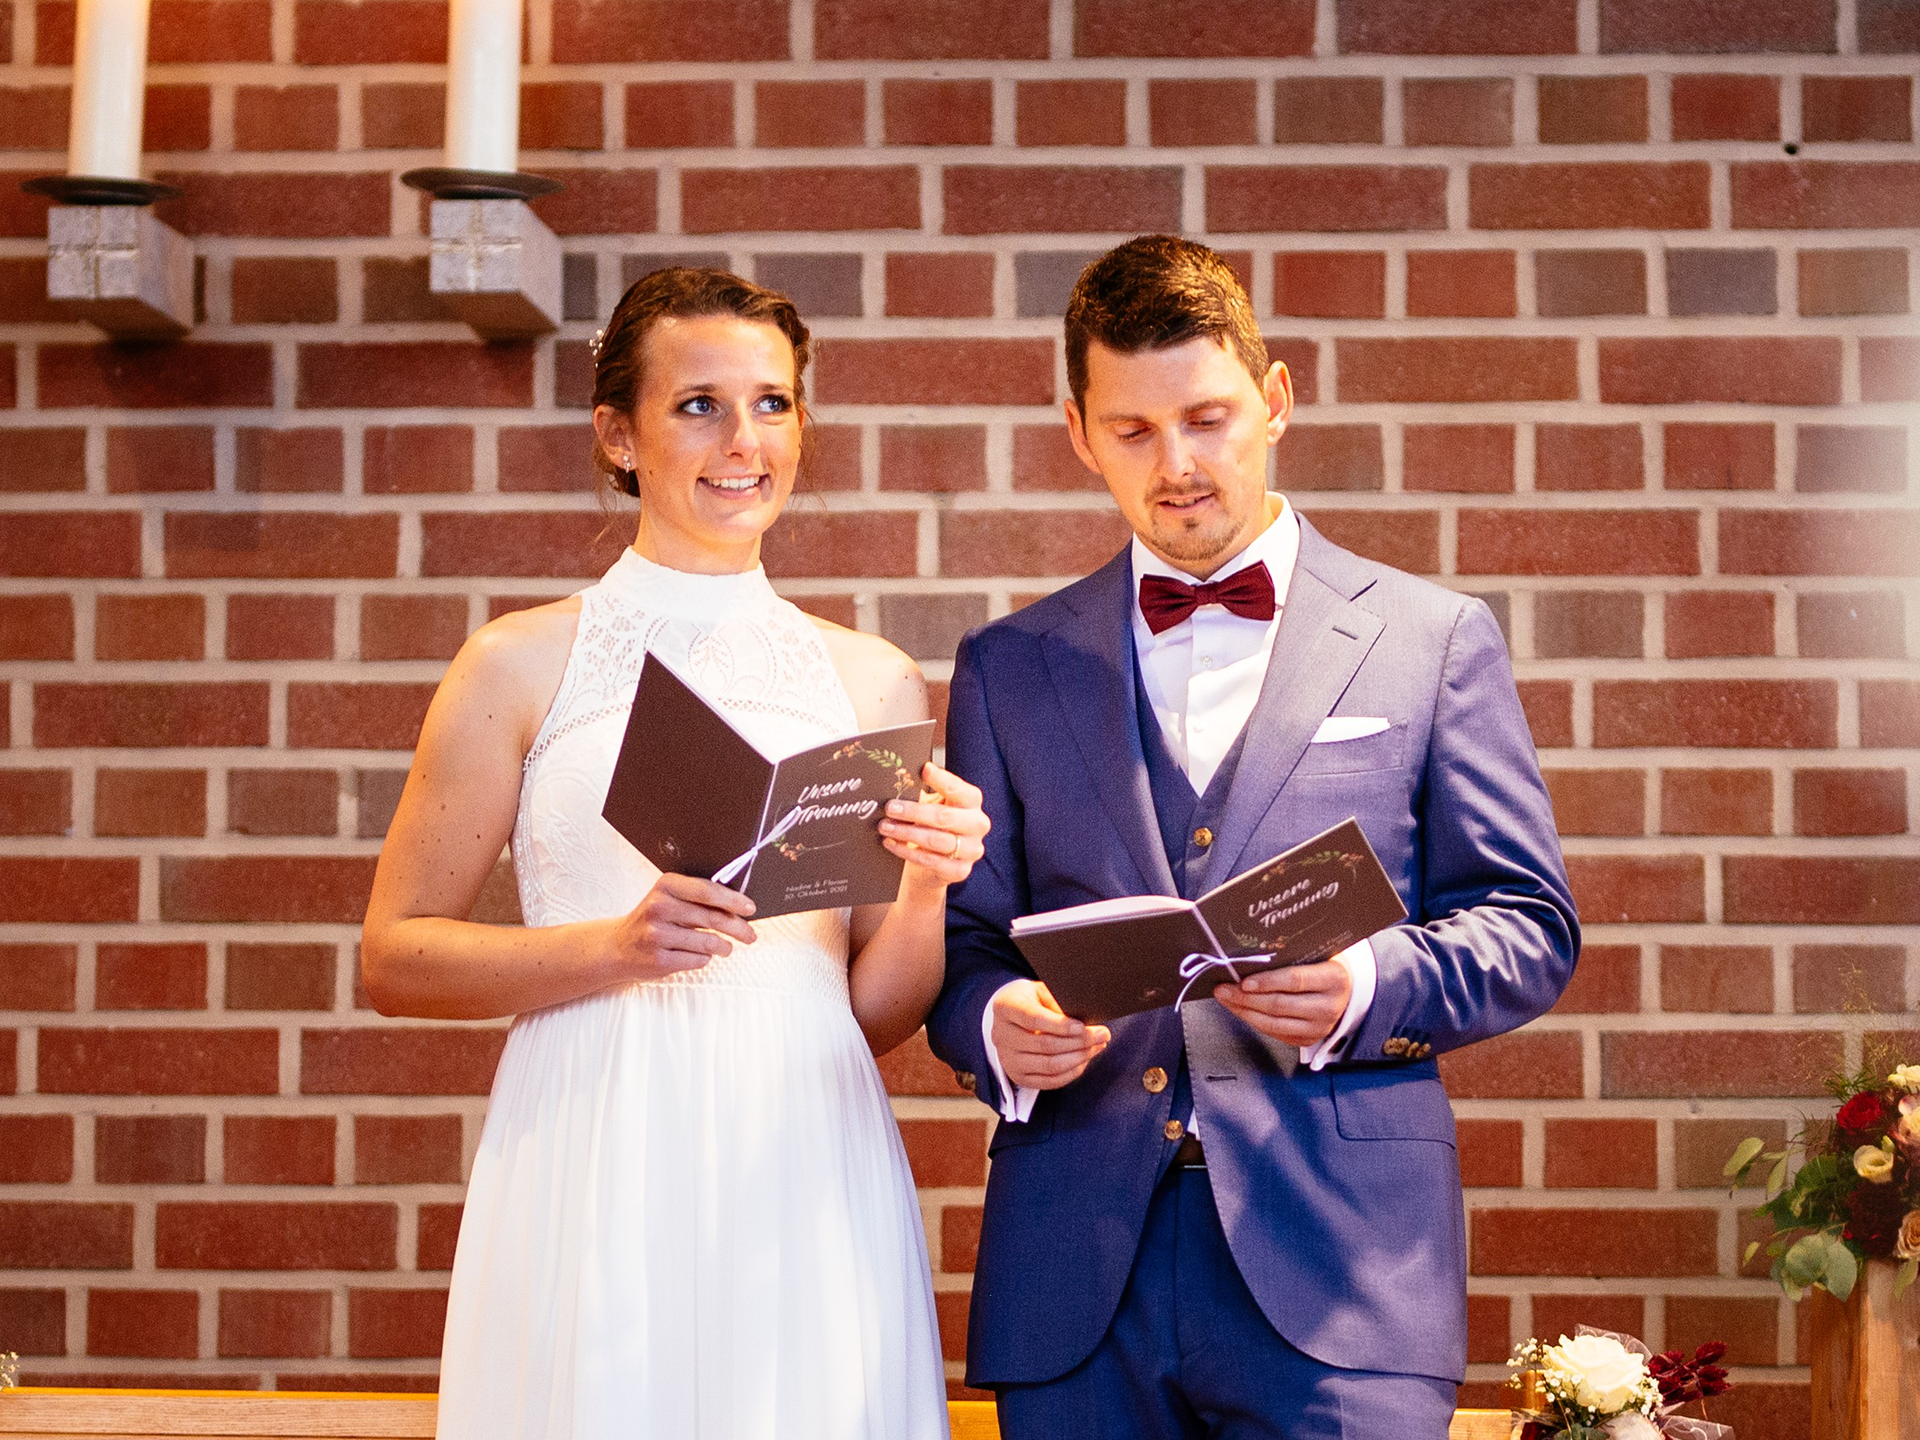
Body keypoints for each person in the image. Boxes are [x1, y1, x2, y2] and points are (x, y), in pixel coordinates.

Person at [925, 235, 1580, 1438]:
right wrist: (996, 1028)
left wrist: (1364, 983)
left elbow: (1530, 925)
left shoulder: (1432, 640)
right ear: (1078, 431)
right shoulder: (1007, 669)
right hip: (1078, 1277)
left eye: (1208, 419)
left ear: (1275, 403)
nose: (1176, 466)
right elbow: (962, 954)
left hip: (1345, 1273)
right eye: (1132, 431)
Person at [361, 268, 986, 1439]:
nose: (743, 440)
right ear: (618, 431)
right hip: (598, 1128)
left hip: (805, 1141)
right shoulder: (517, 664)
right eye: (698, 404)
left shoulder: (871, 679)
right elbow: (394, 958)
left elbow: (874, 1012)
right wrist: (613, 948)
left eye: (773, 403)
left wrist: (926, 890)